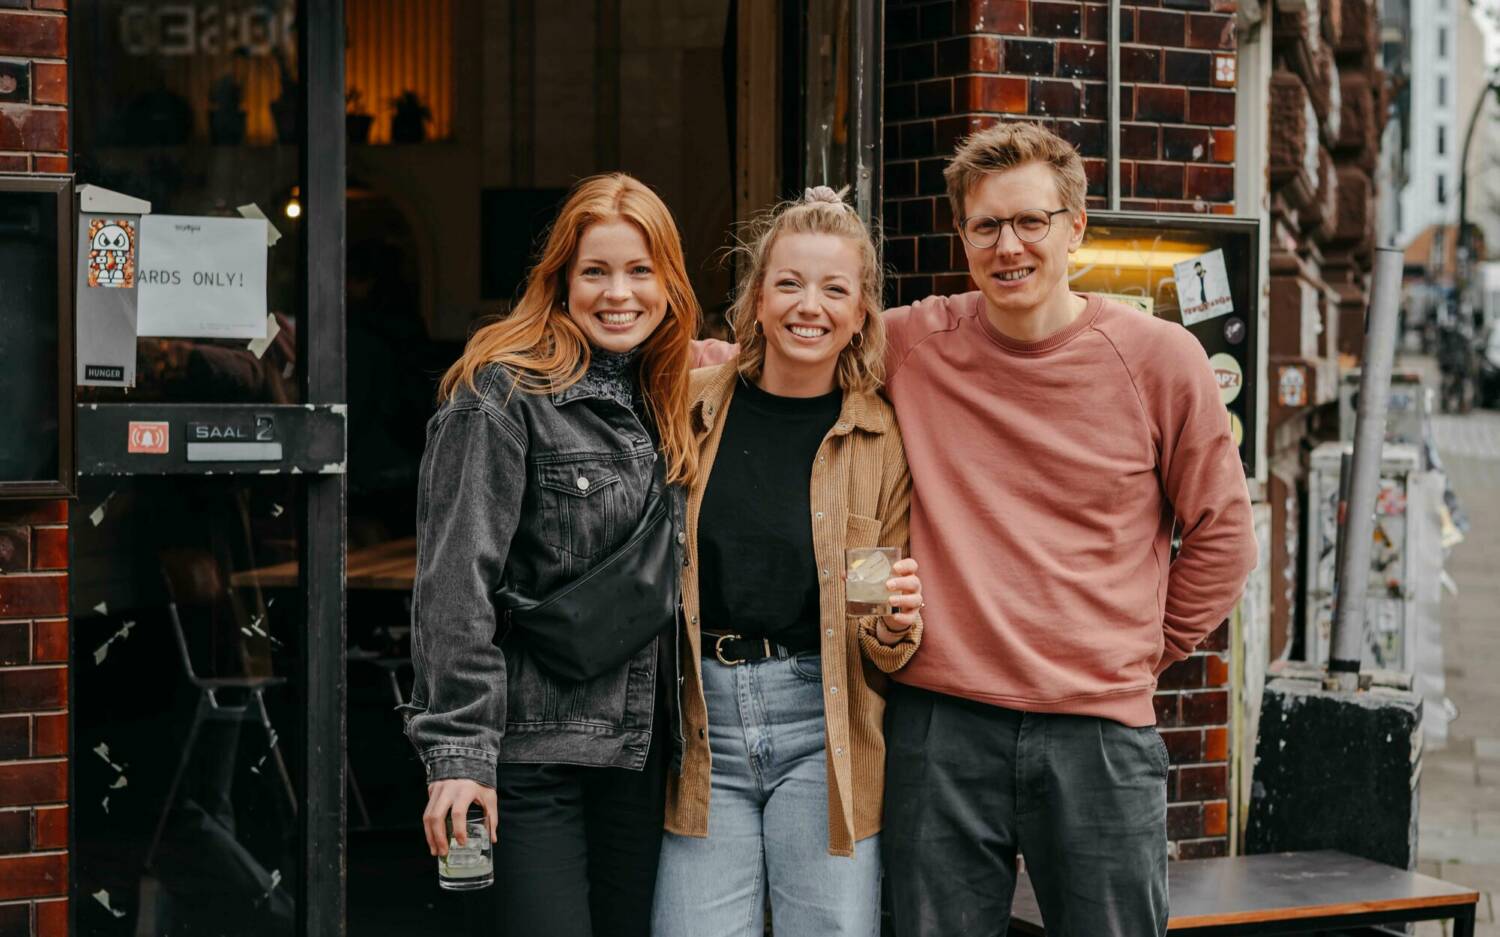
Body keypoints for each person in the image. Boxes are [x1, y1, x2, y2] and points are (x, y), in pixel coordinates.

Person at [693, 122, 1257, 936]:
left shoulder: (1159, 360)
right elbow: (797, 340)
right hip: (941, 726)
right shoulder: (919, 341)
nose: (1010, 245)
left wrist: (1140, 647)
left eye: (1032, 221)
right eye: (987, 225)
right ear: (962, 235)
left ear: (1075, 227)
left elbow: (1223, 534)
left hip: (1099, 733)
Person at [400, 172, 700, 937]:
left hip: (641, 759)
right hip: (535, 757)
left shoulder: (669, 396)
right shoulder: (499, 394)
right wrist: (460, 754)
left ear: (668, 281)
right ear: (560, 281)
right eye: (596, 270)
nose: (619, 292)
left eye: (640, 270)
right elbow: (453, 586)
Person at [653, 187, 924, 937]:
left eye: (835, 288)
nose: (812, 305)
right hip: (703, 729)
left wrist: (895, 621)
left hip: (824, 727)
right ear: (758, 299)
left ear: (862, 311)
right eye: (790, 283)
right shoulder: (692, 404)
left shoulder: (877, 440)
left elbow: (878, 620)